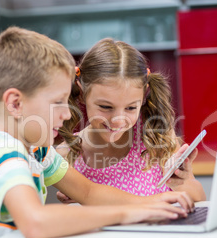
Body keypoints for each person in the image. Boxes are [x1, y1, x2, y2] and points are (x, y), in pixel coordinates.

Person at [0, 27, 194, 238]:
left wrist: (150, 204)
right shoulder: (4, 151)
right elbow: (35, 222)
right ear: (16, 104)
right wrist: (126, 213)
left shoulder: (36, 151)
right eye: (58, 102)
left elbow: (89, 191)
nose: (67, 114)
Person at [57, 38, 206, 203]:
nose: (118, 121)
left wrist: (182, 183)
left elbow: (200, 198)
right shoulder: (68, 153)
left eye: (130, 108)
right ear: (82, 93)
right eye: (106, 107)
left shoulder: (156, 136)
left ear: (143, 96)